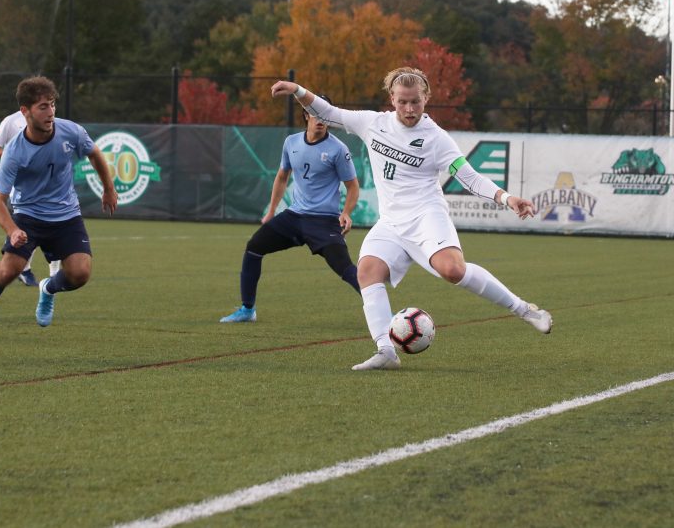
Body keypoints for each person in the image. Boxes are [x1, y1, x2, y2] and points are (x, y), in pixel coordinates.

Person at [271, 67, 553, 371]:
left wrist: (506, 198)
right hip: (391, 222)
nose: (409, 108)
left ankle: (525, 310)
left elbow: (469, 177)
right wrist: (297, 90)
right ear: (392, 98)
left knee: (453, 270)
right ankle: (385, 351)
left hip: (426, 217)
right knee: (367, 271)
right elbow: (327, 112)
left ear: (426, 98)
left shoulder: (437, 138)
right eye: (402, 101)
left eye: (415, 101)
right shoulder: (373, 123)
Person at [0, 76, 117, 342]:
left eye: (52, 104)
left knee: (80, 274)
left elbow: (95, 153)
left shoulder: (71, 131)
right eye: (43, 106)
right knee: (8, 271)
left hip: (66, 215)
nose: (50, 112)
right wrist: (12, 230)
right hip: (28, 216)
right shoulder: (14, 151)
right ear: (25, 111)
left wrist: (108, 188)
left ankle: (48, 288)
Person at [221, 95, 362, 322]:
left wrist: (346, 212)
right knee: (254, 248)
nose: (320, 119)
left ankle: (384, 315)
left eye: (325, 115)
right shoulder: (291, 142)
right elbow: (282, 176)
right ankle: (247, 310)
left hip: (324, 221)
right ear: (306, 115)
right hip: (294, 217)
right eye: (315, 114)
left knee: (345, 268)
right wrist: (271, 211)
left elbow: (353, 186)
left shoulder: (338, 149)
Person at [0, 109, 62, 285]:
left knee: (57, 221)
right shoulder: (11, 121)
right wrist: (14, 159)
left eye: (51, 103)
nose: (49, 108)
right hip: (23, 186)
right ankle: (24, 268)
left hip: (49, 183)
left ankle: (54, 273)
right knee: (29, 226)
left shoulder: (53, 121)